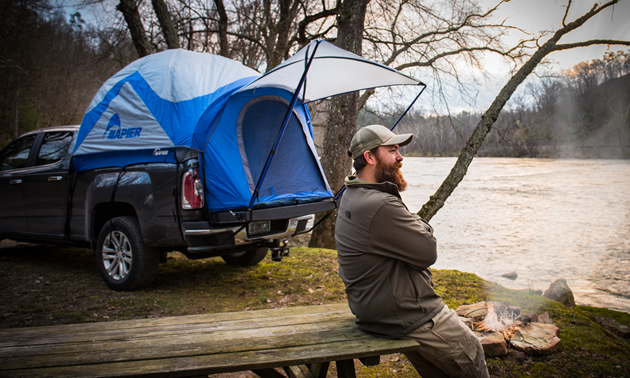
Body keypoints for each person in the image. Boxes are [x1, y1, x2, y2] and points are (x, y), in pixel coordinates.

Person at [335, 125, 489, 378]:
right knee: (471, 351)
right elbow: (427, 252)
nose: (400, 157)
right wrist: (422, 225)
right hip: (407, 314)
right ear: (370, 157)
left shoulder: (353, 194)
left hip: (374, 309)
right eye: (392, 150)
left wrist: (413, 224)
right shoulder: (379, 204)